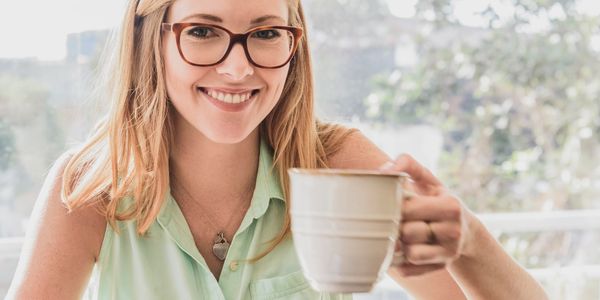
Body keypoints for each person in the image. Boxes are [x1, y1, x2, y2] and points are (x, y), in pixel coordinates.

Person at [6, 0, 548, 299]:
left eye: (266, 34)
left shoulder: (337, 166)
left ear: (294, 45)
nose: (238, 67)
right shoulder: (89, 187)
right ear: (153, 40)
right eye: (202, 31)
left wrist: (470, 242)